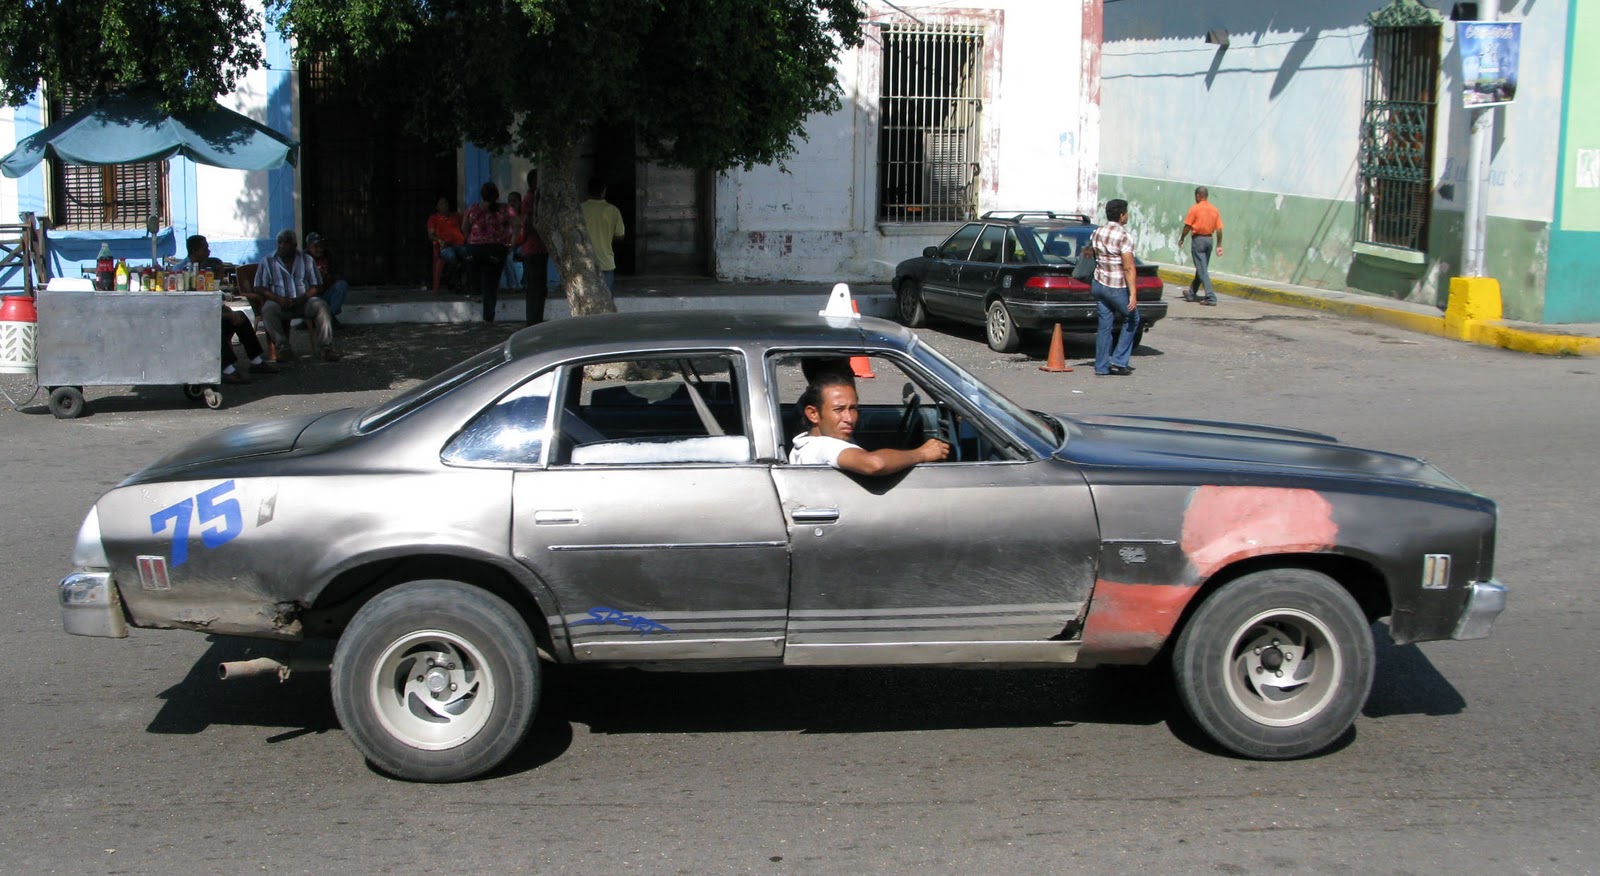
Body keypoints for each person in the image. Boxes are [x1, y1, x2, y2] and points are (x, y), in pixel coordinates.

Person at [790, 372, 949, 475]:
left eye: (853, 408)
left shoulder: (804, 442)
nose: (849, 418)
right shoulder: (824, 446)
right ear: (813, 414)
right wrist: (922, 453)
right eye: (839, 409)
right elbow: (875, 463)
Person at [178, 234, 277, 385]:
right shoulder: (181, 271)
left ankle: (256, 362)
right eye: (205, 249)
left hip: (209, 313)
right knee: (211, 327)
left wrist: (228, 313)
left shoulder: (206, 268)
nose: (209, 252)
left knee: (241, 317)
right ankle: (228, 370)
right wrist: (225, 315)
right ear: (194, 251)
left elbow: (213, 299)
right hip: (193, 321)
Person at [251, 229, 340, 362]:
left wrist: (302, 298)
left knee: (321, 306)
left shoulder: (307, 260)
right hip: (279, 302)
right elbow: (258, 287)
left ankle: (326, 349)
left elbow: (317, 285)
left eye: (286, 243)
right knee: (268, 309)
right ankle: (283, 348)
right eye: (279, 242)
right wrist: (277, 299)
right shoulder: (268, 261)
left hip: (303, 302)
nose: (282, 245)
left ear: (295, 245)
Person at [1088, 198, 1139, 377]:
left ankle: (1101, 366)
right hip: (1116, 286)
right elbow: (1128, 267)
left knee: (1104, 326)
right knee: (1132, 318)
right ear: (1121, 215)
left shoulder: (1097, 232)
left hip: (1099, 284)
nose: (1127, 216)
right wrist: (1133, 293)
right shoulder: (1124, 236)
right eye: (1126, 212)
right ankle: (1119, 360)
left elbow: (1089, 253)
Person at [460, 181, 517, 321]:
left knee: (474, 269)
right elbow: (517, 226)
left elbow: (464, 228)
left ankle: (475, 291)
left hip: (475, 249)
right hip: (496, 250)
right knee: (490, 285)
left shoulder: (473, 209)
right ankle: (488, 317)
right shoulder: (505, 209)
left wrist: (471, 241)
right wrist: (512, 244)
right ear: (497, 195)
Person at [1177, 186, 1224, 305]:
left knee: (1202, 269)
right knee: (1201, 268)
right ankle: (1191, 293)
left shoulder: (1195, 209)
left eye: (1195, 196)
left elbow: (1187, 226)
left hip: (1198, 241)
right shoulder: (1214, 209)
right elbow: (1219, 229)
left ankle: (1211, 297)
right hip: (1209, 240)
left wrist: (1182, 238)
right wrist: (1219, 244)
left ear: (1198, 196)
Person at [581, 177, 625, 290]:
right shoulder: (613, 210)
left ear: (588, 191)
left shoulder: (580, 209)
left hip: (585, 262)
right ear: (604, 190)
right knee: (607, 299)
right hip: (606, 262)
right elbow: (620, 236)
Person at [519, 169, 551, 325]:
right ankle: (533, 321)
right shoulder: (531, 199)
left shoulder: (536, 198)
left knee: (539, 289)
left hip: (538, 249)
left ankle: (536, 319)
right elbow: (529, 224)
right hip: (534, 249)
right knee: (535, 289)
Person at [303, 232, 349, 324]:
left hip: (326, 291)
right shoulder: (303, 258)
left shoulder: (329, 255)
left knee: (342, 285)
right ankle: (310, 319)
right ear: (308, 247)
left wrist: (327, 277)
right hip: (311, 296)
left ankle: (330, 315)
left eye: (321, 246)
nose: (319, 249)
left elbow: (339, 275)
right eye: (315, 246)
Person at [427, 195, 468, 293]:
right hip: (445, 247)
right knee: (451, 257)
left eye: (446, 203)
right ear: (437, 207)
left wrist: (467, 238)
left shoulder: (457, 216)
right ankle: (455, 283)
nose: (445, 205)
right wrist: (440, 240)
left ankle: (456, 282)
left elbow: (466, 226)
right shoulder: (433, 219)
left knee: (470, 255)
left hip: (460, 246)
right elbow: (431, 235)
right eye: (441, 203)